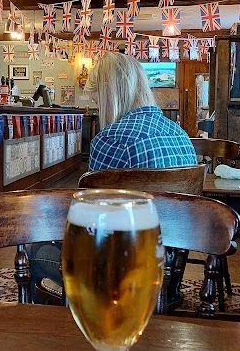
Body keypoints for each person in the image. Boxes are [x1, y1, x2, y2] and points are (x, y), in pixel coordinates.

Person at [28, 51, 197, 303]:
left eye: (97, 100)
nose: (97, 107)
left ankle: (68, 319)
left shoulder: (112, 138)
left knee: (33, 249)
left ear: (109, 95)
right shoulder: (180, 134)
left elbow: (92, 224)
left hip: (119, 277)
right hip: (168, 270)